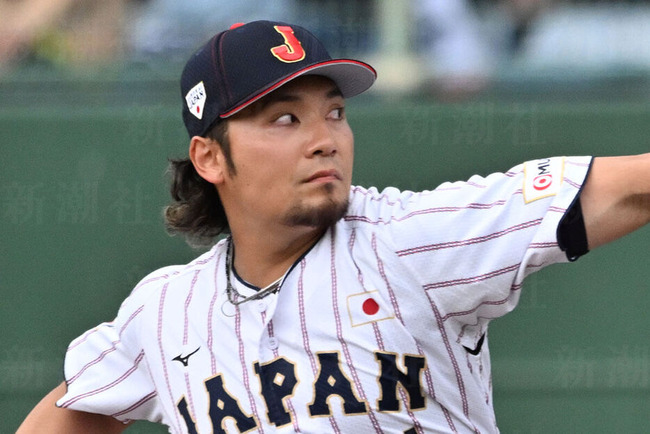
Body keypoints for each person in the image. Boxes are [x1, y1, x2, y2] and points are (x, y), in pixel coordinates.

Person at [18, 20, 650, 433]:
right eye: (285, 119)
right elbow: (75, 412)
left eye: (336, 112)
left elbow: (630, 189)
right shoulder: (164, 312)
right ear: (209, 157)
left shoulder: (408, 242)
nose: (325, 139)